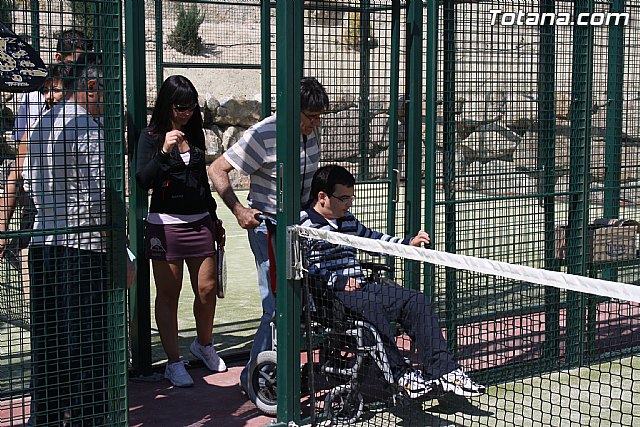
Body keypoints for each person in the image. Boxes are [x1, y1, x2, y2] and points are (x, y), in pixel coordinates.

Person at [300, 164, 486, 398]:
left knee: (415, 300)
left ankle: (445, 371)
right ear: (322, 197)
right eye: (344, 198)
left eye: (351, 198)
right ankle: (400, 375)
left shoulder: (347, 220)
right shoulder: (304, 223)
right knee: (371, 307)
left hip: (362, 289)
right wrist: (337, 282)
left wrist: (407, 243)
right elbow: (304, 266)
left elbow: (374, 241)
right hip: (329, 297)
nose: (349, 204)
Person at [207, 77, 330, 398]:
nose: (316, 124)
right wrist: (238, 210)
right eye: (311, 117)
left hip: (301, 228)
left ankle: (273, 371)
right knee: (276, 306)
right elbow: (217, 169)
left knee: (302, 303)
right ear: (292, 110)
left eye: (319, 117)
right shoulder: (262, 134)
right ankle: (255, 379)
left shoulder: (310, 131)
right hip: (268, 228)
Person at [24, 52, 108, 426]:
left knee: (48, 342)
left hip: (44, 242)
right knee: (86, 342)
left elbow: (31, 185)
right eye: (105, 91)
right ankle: (89, 418)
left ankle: (44, 416)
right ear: (90, 86)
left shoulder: (42, 124)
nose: (108, 100)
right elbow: (99, 197)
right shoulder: (87, 127)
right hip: (82, 247)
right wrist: (116, 249)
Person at [136, 75, 226, 388]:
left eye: (191, 107)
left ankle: (203, 345)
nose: (186, 113)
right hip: (165, 225)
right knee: (169, 294)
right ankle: (173, 363)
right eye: (180, 107)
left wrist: (214, 219)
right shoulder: (150, 136)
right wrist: (163, 151)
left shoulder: (195, 133)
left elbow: (201, 182)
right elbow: (143, 180)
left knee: (207, 289)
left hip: (200, 222)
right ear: (167, 105)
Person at [0, 63, 66, 263]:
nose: (48, 97)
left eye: (55, 90)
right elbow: (14, 177)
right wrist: (2, 228)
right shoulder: (34, 129)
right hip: (37, 220)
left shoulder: (88, 126)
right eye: (45, 91)